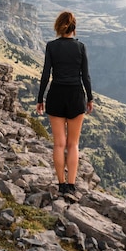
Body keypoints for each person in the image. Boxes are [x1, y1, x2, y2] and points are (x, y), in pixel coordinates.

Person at [36, 11, 93, 196]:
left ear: (58, 26)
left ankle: (61, 184)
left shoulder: (51, 46)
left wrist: (39, 99)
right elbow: (85, 76)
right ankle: (71, 185)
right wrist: (90, 98)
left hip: (56, 95)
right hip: (76, 95)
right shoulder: (81, 47)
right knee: (73, 144)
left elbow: (45, 75)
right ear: (74, 27)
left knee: (59, 144)